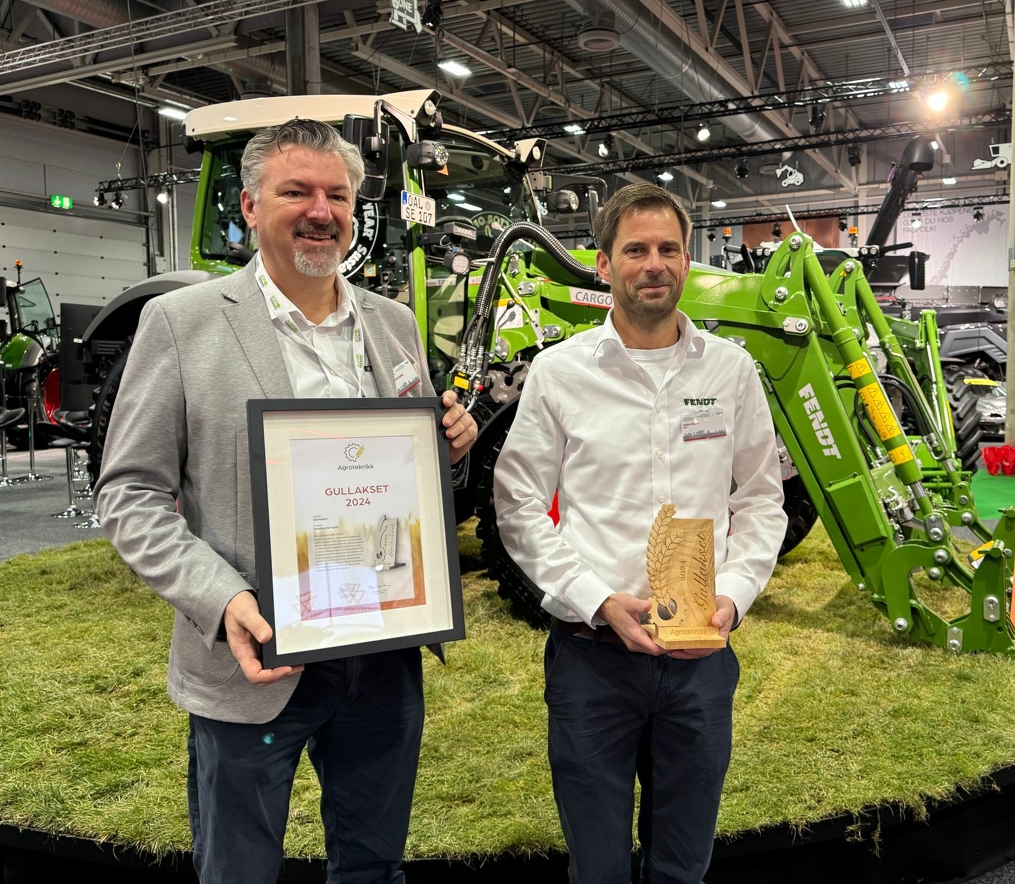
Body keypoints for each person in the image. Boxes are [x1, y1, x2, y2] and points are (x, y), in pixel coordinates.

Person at [95, 119, 477, 884]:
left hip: (383, 651)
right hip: (255, 657)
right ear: (249, 204)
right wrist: (223, 598)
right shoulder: (181, 324)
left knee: (372, 866)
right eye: (296, 191)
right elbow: (129, 494)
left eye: (337, 194)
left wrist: (450, 447)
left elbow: (412, 476)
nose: (320, 210)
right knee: (238, 869)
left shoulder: (393, 324)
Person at [493, 183, 787, 883]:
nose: (652, 263)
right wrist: (595, 597)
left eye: (668, 249)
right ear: (603, 264)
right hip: (592, 662)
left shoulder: (731, 369)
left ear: (687, 262)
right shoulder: (560, 373)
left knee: (683, 865)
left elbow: (763, 500)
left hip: (700, 663)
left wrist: (736, 595)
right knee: (596, 867)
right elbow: (517, 501)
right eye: (635, 249)